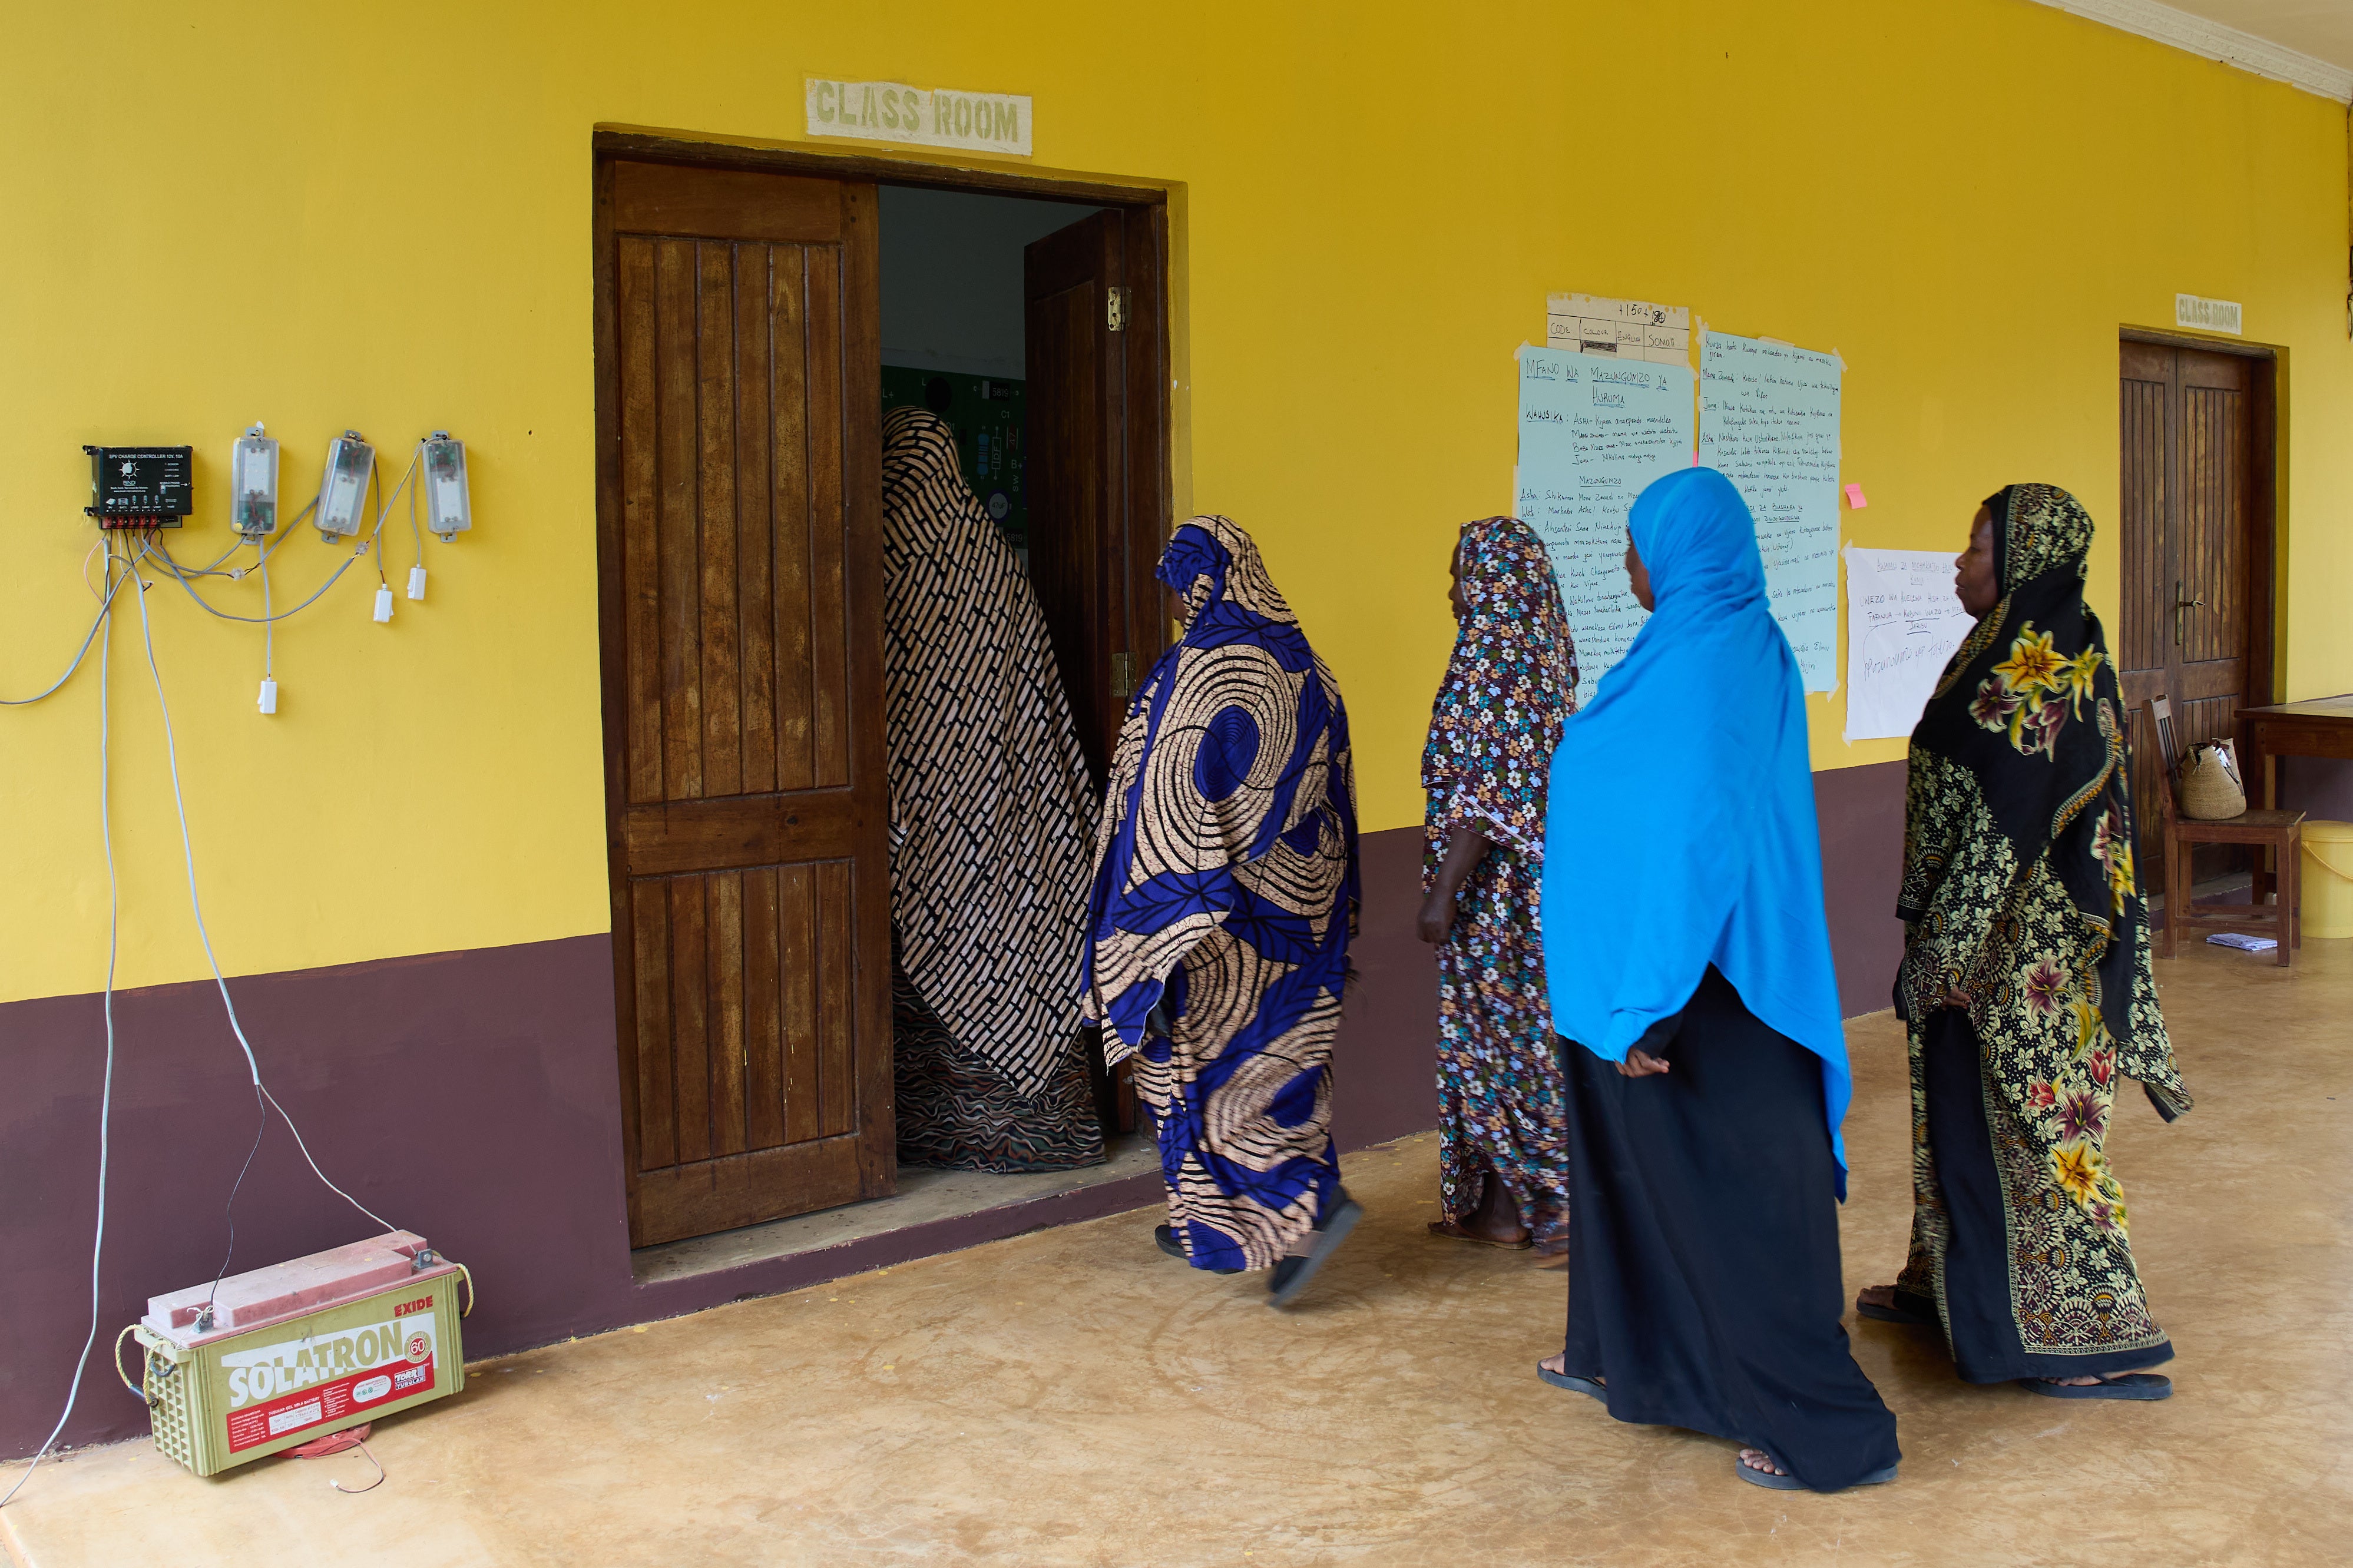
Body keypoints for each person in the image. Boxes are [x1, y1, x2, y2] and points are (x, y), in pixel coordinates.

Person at [1535, 468, 1901, 1493]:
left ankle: (1834, 1434)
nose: (1625, 564)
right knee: (1639, 1186)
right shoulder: (1685, 650)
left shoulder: (1719, 661)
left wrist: (1650, 997)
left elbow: (1703, 838)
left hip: (1707, 993)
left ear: (1681, 548)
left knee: (1743, 1211)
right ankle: (1633, 1360)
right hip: (1635, 990)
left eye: (1634, 543)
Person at [1858, 483, 2190, 1399]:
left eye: (1973, 547)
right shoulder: (2006, 649)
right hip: (1982, 942)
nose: (1957, 562)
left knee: (2040, 1134)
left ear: (2022, 559)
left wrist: (1945, 954)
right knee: (1954, 1122)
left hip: (2027, 959)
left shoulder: (2042, 669)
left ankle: (2091, 1335)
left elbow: (2003, 829)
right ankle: (1953, 1290)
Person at [1080, 515, 1362, 1307]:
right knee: (1283, 1065)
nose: (1174, 603)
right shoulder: (1312, 666)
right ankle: (1273, 1212)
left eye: (1180, 583)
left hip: (1214, 920)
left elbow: (1162, 796)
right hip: (1302, 913)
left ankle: (1275, 1213)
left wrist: (1137, 933)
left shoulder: (1197, 671)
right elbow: (1334, 796)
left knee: (1198, 1074)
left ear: (1206, 580)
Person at [881, 406, 1104, 1172]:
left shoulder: (892, 552)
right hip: (1014, 803)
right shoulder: (994, 554)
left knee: (936, 941)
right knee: (1014, 943)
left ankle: (939, 1133)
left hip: (933, 807)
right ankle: (1046, 1130)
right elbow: (1032, 680)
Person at [1415, 516, 1578, 1266]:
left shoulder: (1490, 661)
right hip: (1539, 889)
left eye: (1458, 574)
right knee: (1511, 1043)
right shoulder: (1542, 654)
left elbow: (1486, 798)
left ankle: (1531, 1206)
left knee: (1496, 1044)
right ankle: (1502, 1204)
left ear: (1490, 581)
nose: (1451, 591)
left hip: (1495, 896)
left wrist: (1441, 894)